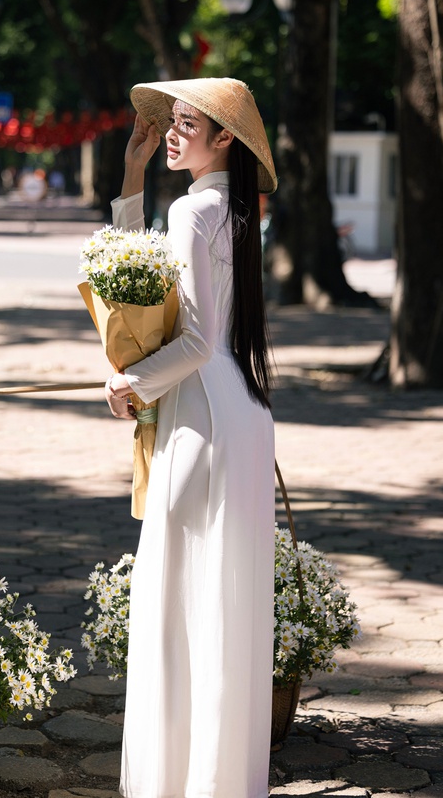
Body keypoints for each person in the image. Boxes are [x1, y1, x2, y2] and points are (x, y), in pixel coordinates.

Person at [104, 77, 278, 798]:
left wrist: (131, 382)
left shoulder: (189, 210)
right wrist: (132, 175)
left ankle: (170, 783)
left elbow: (195, 338)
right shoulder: (235, 208)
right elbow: (149, 289)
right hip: (242, 414)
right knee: (226, 605)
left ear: (225, 137)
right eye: (168, 122)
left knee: (176, 600)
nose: (170, 133)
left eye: (185, 125)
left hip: (200, 418)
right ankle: (219, 781)